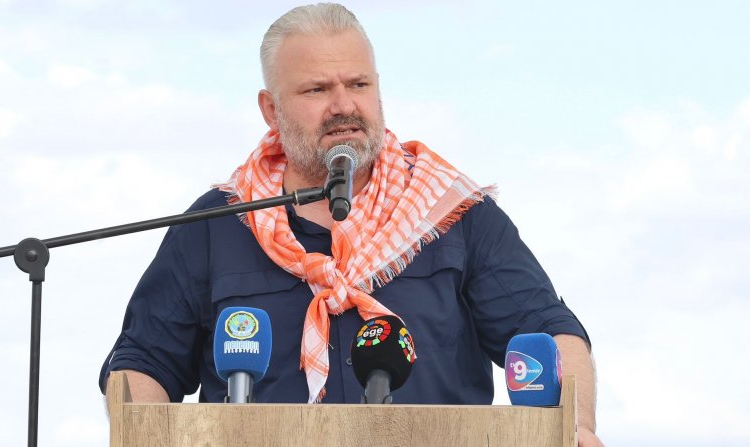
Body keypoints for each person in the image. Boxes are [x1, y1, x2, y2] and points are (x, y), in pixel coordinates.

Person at [100, 3, 603, 446]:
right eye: (317, 89)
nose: (344, 105)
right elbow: (145, 363)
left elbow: (548, 331)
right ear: (271, 110)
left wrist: (576, 428)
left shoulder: (452, 213)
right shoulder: (216, 224)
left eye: (359, 85)